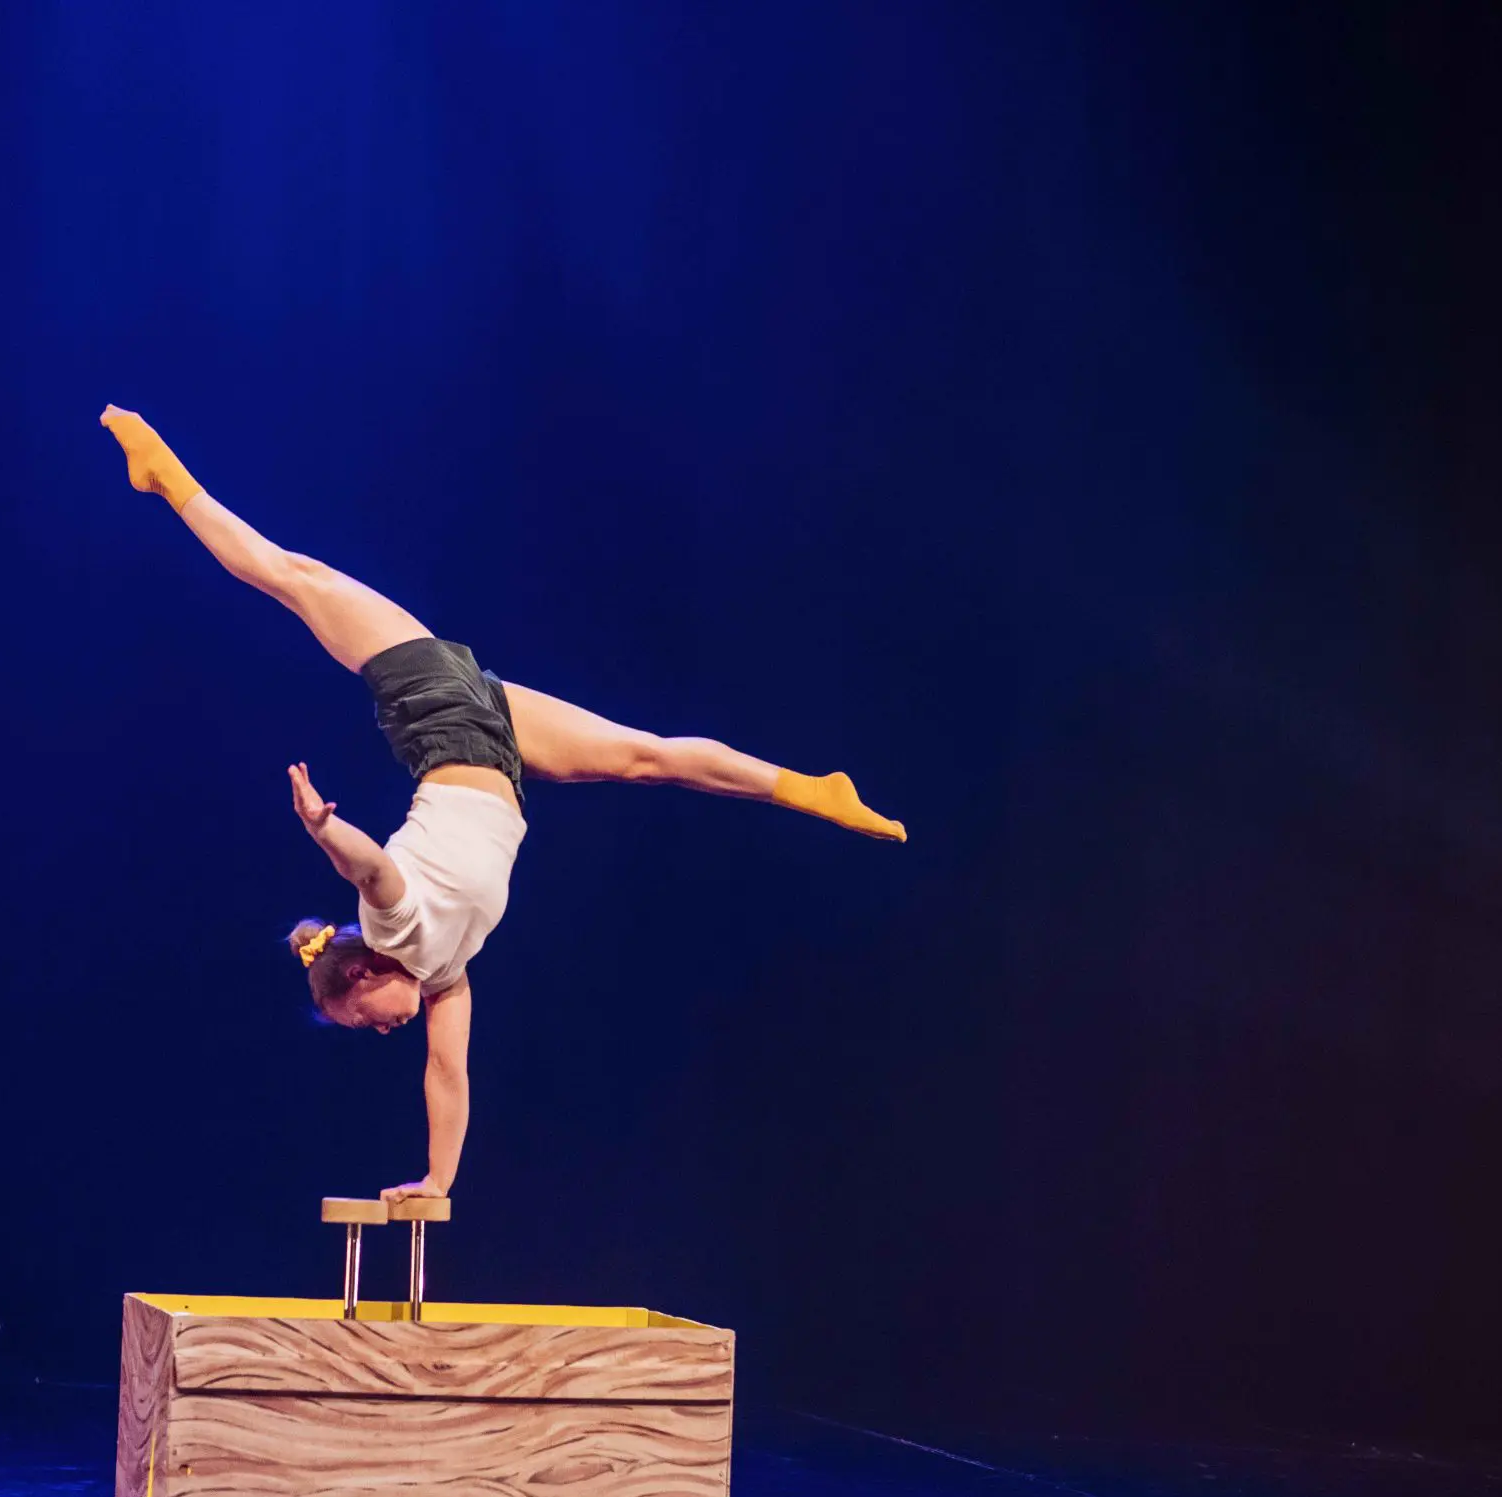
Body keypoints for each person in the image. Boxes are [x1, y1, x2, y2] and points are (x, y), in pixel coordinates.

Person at [100, 405, 904, 1202]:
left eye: (367, 1017)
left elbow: (374, 867)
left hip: (439, 716)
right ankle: (808, 789)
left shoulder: (394, 928)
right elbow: (448, 1076)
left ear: (364, 971)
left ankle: (164, 473)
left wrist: (322, 828)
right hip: (502, 749)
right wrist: (437, 1181)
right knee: (645, 757)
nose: (386, 1030)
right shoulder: (446, 976)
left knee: (290, 577)